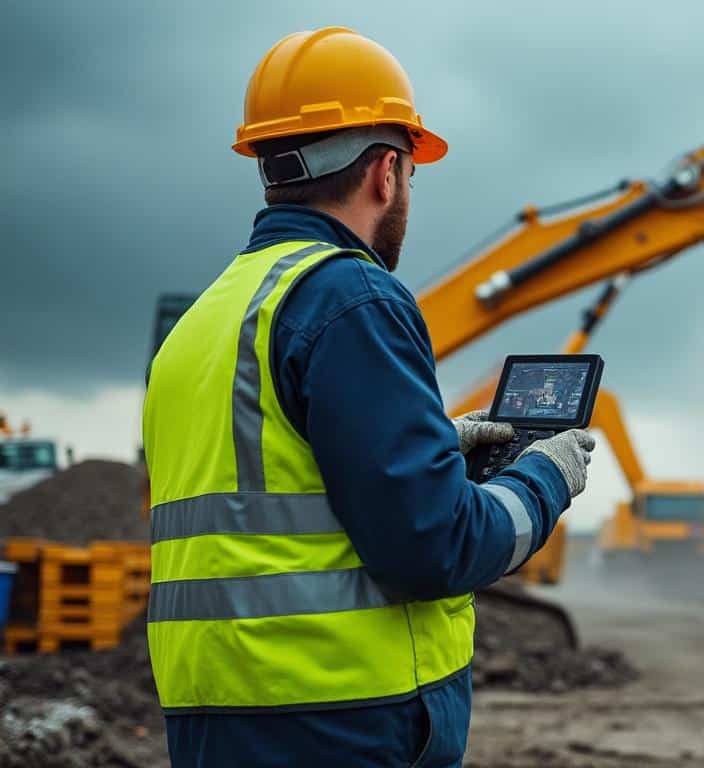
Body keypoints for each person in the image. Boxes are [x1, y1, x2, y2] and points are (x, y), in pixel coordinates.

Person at [141, 27, 595, 767]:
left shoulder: (203, 324)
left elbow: (266, 491)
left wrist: (431, 448)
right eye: (412, 173)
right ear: (387, 172)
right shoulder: (352, 298)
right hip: (341, 722)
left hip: (214, 716)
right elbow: (437, 547)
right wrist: (546, 477)